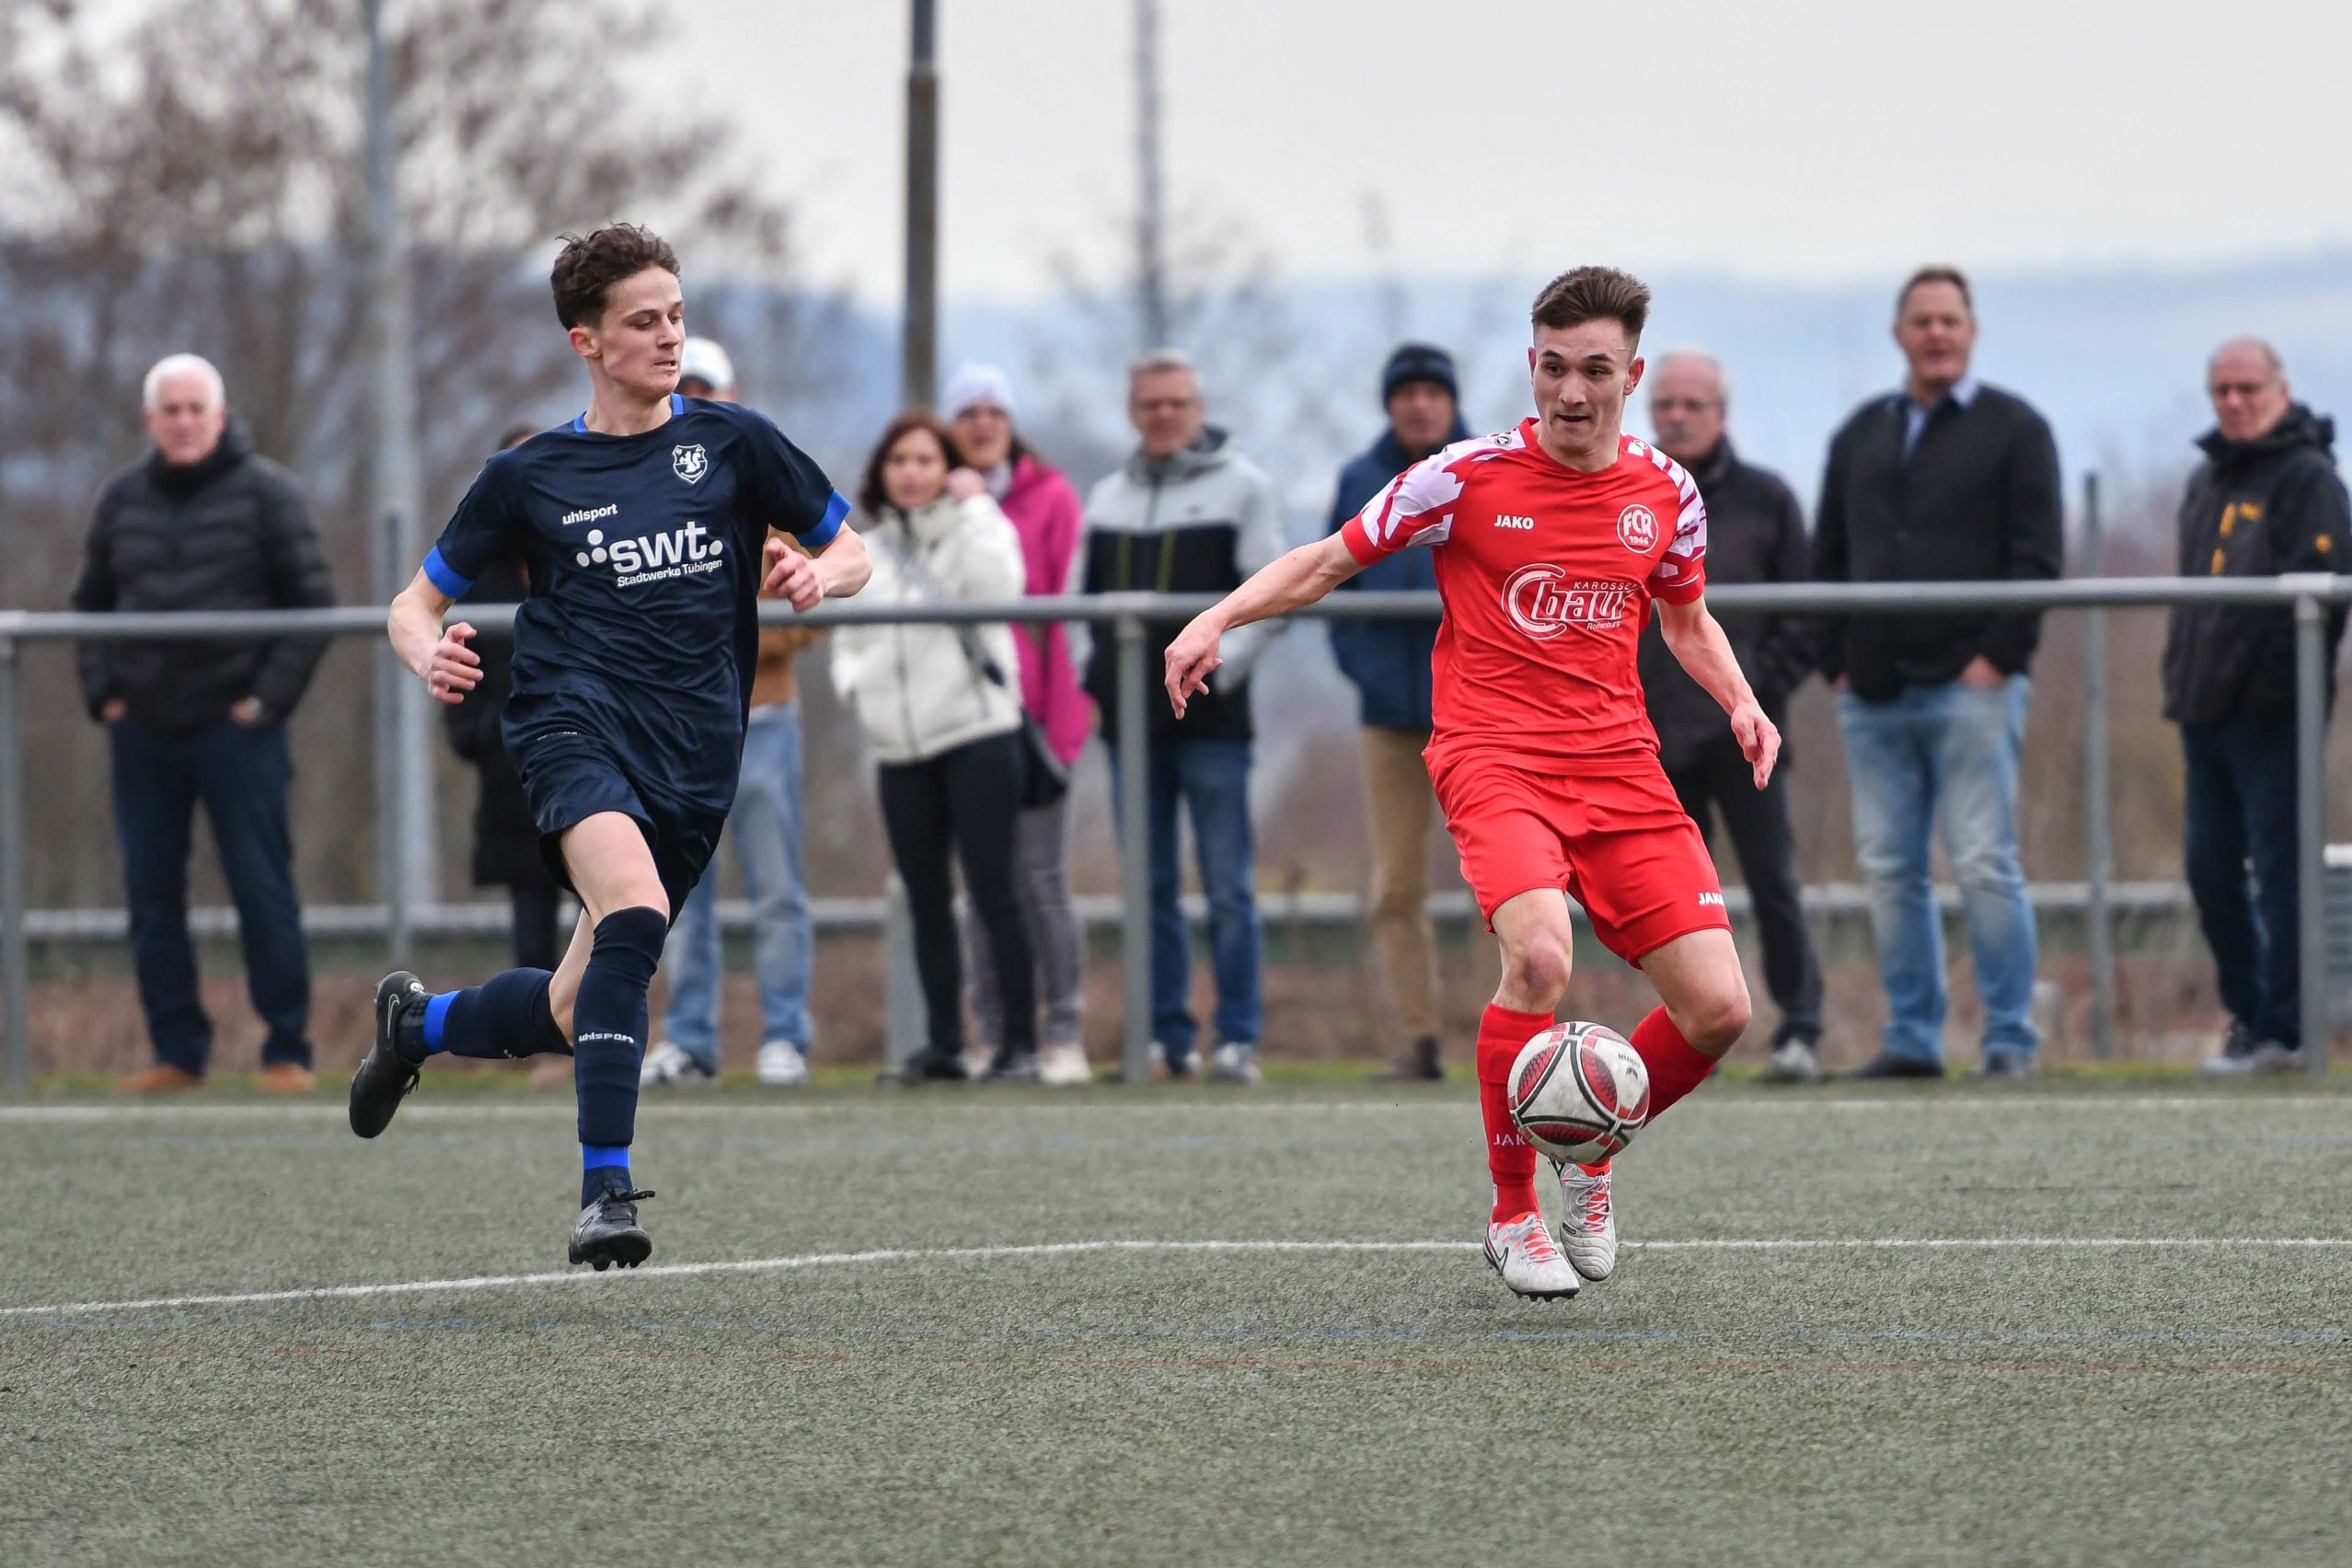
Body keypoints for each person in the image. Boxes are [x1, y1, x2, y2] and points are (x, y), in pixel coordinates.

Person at [1167, 267, 1773, 1301]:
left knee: (1720, 1009)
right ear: (1529, 364)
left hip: (1620, 767)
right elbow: (1326, 560)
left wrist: (1742, 701)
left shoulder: (1667, 492)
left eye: (1595, 371)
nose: (1571, 392)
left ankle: (1587, 1148)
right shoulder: (1462, 477)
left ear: (1631, 377)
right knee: (1538, 958)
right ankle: (1512, 1212)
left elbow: (1684, 620)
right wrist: (1218, 618)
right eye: (1553, 367)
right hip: (1495, 758)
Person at [348, 225, 868, 1271]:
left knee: (575, 1003)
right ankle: (605, 1193)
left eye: (677, 315)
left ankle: (419, 1026)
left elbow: (852, 548)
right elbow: (413, 603)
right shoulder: (528, 474)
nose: (670, 337)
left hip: (698, 757)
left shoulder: (736, 445)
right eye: (644, 321)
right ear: (586, 341)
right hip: (570, 728)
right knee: (632, 914)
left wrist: (820, 576)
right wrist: (425, 654)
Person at [1814, 266, 2060, 1081]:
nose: (1936, 333)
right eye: (1922, 320)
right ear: (1900, 334)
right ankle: (1914, 1040)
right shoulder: (1859, 435)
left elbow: (2038, 556)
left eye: (1950, 319)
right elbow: (1826, 556)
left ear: (1972, 330)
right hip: (1872, 693)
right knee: (1891, 870)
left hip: (1972, 688)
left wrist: (1998, 659)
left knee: (1985, 863)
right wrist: (1834, 662)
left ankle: (2010, 1040)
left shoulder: (2016, 429)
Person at [72, 352, 334, 1094]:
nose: (184, 422)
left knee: (261, 886)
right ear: (150, 420)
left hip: (237, 726)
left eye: (196, 409)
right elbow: (88, 603)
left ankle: (286, 1049)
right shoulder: (121, 499)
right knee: (150, 894)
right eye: (171, 410)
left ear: (220, 417)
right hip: (144, 727)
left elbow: (313, 604)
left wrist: (263, 703)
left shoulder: (269, 494)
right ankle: (177, 1052)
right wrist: (103, 693)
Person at [1080, 349, 1285, 1083]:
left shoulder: (1244, 488)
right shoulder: (1106, 498)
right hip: (1131, 731)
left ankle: (1238, 1038)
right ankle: (1165, 1039)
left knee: (1228, 886)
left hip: (1212, 726)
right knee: (1149, 887)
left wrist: (1219, 681)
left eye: (1177, 403)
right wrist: (1092, 678)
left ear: (1198, 408)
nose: (1164, 415)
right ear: (1134, 412)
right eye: (1151, 404)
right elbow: (1080, 605)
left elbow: (1271, 596)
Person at [640, 336, 825, 1090]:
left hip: (763, 719)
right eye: (686, 389)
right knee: (680, 894)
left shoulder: (764, 484)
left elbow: (806, 607)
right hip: (674, 728)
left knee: (777, 891)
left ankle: (786, 1035)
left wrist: (717, 633)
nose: (697, 402)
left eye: (708, 390)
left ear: (732, 398)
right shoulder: (643, 490)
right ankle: (689, 1040)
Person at [2161, 339, 2351, 1074]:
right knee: (2209, 870)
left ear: (2280, 389)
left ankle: (2287, 1029)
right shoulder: (2206, 479)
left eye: (2248, 387)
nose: (2235, 402)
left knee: (2280, 871)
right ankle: (2252, 1016)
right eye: (2222, 390)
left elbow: (2320, 600)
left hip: (2273, 718)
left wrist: (2269, 691)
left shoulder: (2308, 478)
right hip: (2203, 712)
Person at [830, 412, 1038, 1082]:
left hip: (978, 736)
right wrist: (856, 687)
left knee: (994, 890)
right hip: (899, 752)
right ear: (882, 473)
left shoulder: (979, 526)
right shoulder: (868, 548)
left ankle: (1019, 1045)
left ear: (950, 469)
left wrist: (976, 509)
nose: (912, 473)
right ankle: (945, 1044)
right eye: (900, 461)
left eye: (926, 460)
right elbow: (847, 639)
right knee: (924, 899)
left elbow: (1002, 588)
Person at [1639, 352, 1827, 1082]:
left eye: (1693, 404)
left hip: (1744, 742)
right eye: (1666, 404)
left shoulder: (1767, 500)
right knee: (1671, 902)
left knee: (1773, 883)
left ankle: (1800, 1030)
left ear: (1721, 413)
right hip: (1652, 740)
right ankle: (1691, 1036)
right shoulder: (1625, 494)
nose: (1678, 417)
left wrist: (1755, 694)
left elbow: (1804, 616)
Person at [945, 363, 1095, 1087]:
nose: (982, 424)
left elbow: (1067, 619)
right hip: (965, 722)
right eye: (968, 412)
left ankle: (1063, 1031)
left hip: (1037, 723)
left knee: (1041, 879)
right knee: (980, 887)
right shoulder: (936, 499)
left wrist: (1065, 726)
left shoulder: (1052, 497)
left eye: (994, 412)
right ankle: (994, 1033)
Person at [1324, 342, 1470, 1082]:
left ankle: (1519, 1038)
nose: (1419, 405)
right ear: (1389, 404)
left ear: (1451, 402)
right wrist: (1370, 675)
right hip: (1389, 719)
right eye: (1406, 393)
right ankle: (1419, 1039)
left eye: (1431, 392)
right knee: (1396, 886)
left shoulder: (1487, 470)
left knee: (1507, 885)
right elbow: (1334, 587)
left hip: (1477, 716)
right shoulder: (1359, 480)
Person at [444, 424, 566, 977]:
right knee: (531, 907)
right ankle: (538, 1020)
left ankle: (595, 1016)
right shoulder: (479, 570)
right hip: (512, 765)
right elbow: (456, 652)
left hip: (593, 746)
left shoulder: (589, 554)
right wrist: (477, 733)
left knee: (606, 901)